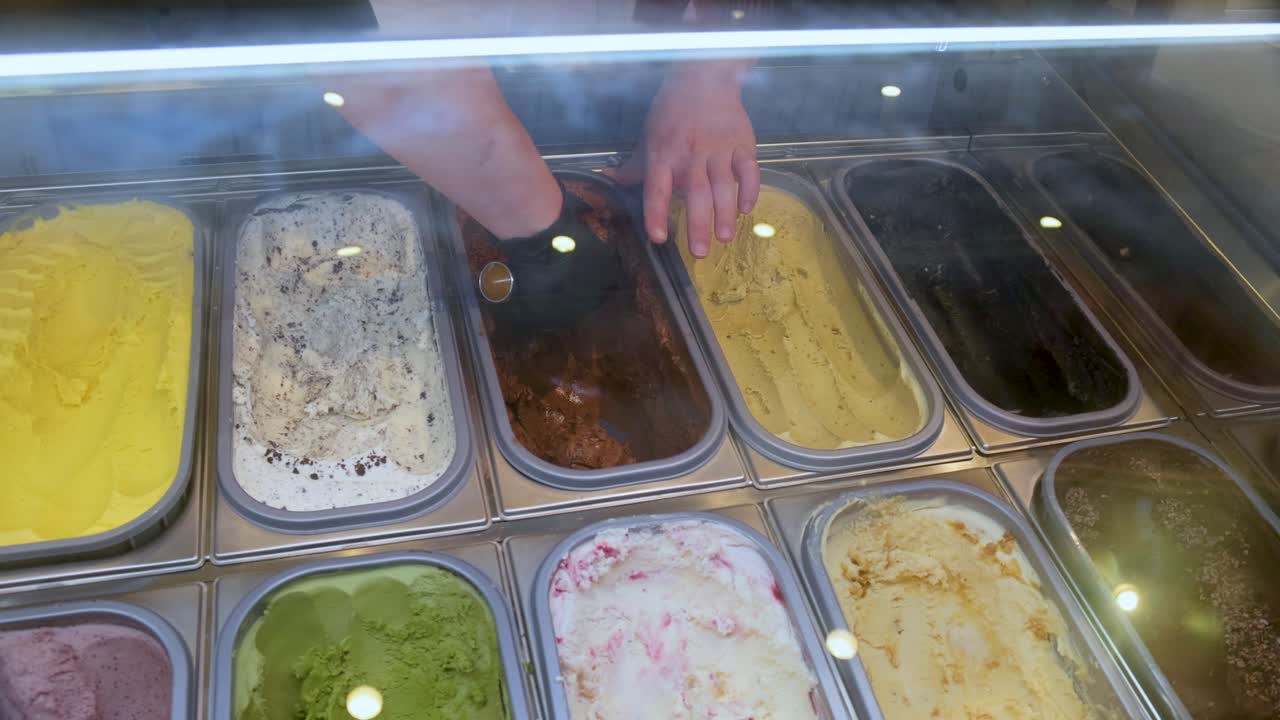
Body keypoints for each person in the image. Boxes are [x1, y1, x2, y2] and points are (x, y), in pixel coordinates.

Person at [331, 58, 759, 260]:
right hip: (374, 124)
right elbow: (393, 65)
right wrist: (544, 230)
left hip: (642, 75)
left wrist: (712, 73)